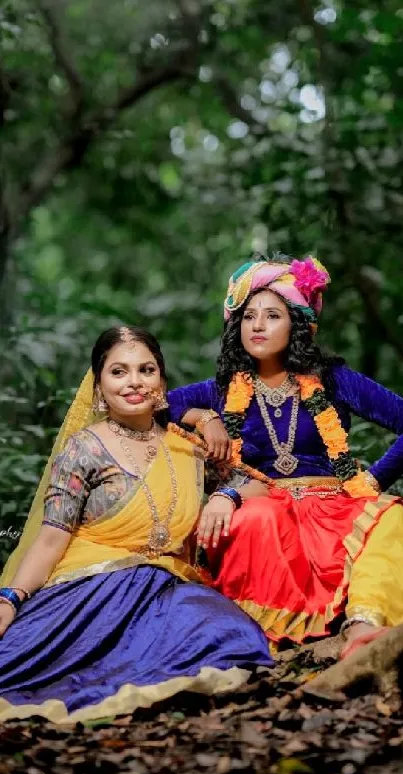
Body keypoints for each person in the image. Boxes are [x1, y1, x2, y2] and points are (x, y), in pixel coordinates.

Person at [0, 326, 273, 723]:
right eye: (119, 371)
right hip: (89, 592)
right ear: (99, 386)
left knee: (231, 635)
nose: (134, 382)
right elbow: (48, 541)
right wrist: (9, 599)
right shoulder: (84, 448)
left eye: (146, 370)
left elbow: (259, 486)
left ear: (161, 382)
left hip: (164, 591)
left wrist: (224, 495)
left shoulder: (188, 447)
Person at [167, 257, 403, 657]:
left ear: (297, 324)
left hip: (334, 507)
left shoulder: (332, 380)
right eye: (248, 316)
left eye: (272, 315)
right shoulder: (223, 390)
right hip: (262, 504)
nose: (257, 326)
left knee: (394, 518)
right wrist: (204, 417)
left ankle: (364, 627)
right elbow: (153, 405)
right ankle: (259, 638)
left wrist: (375, 481)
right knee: (257, 520)